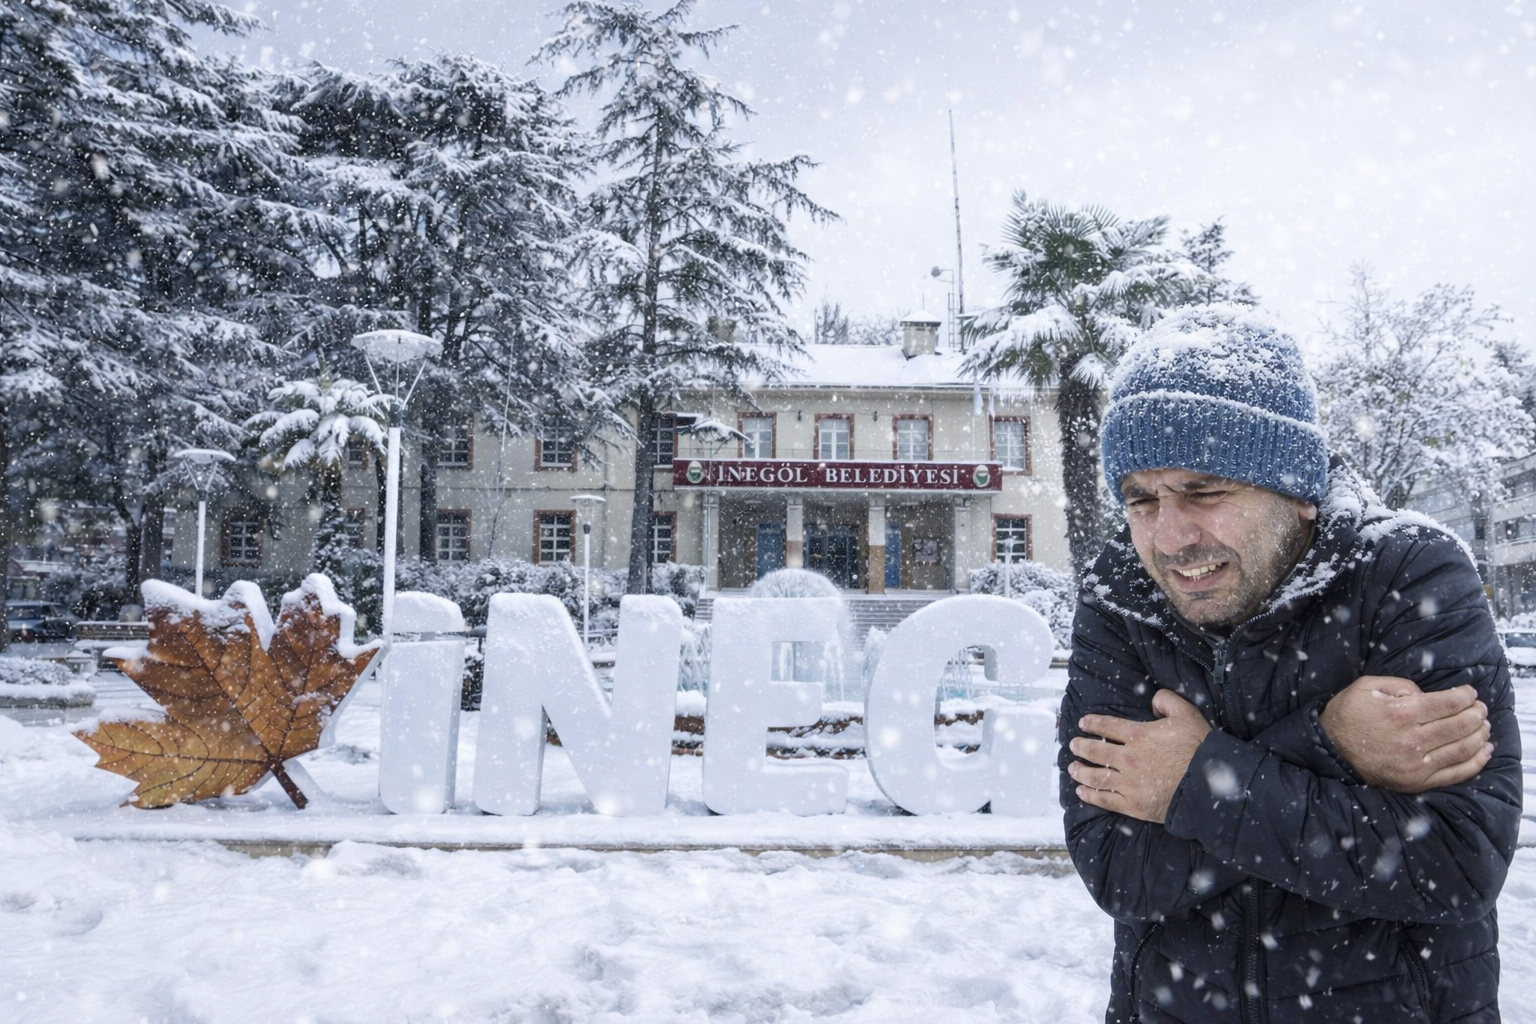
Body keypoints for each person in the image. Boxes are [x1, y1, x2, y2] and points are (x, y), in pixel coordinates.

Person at [1060, 307, 1522, 1023]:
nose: (1171, 536)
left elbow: (1456, 864)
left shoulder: (1409, 575)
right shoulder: (1121, 599)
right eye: (1141, 499)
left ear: (1296, 492)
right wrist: (1330, 744)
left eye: (1206, 490)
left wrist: (1189, 780)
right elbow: (1121, 872)